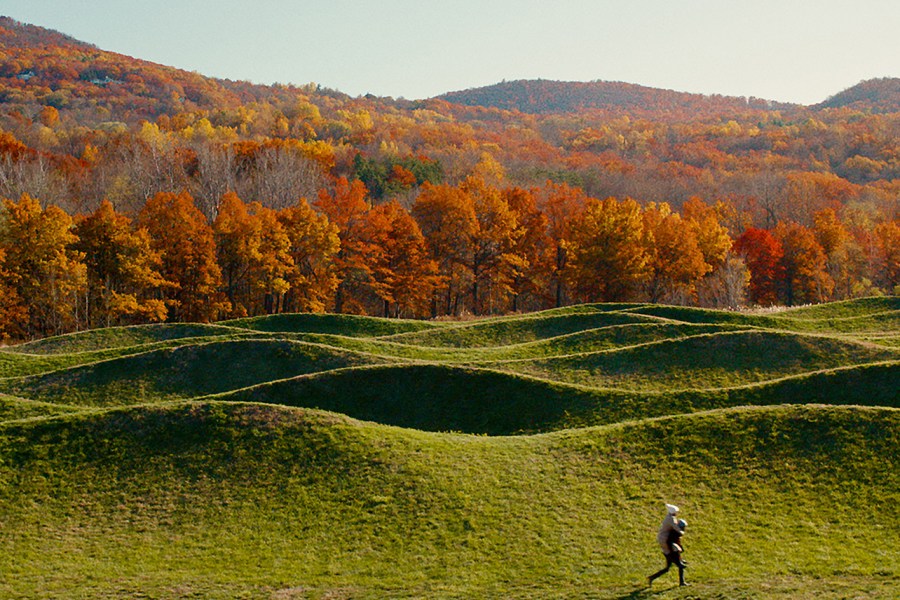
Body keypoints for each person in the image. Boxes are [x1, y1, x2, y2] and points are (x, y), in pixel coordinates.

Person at [648, 504, 688, 587]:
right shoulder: (672, 522)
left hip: (666, 546)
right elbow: (676, 533)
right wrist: (681, 532)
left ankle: (652, 578)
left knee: (667, 568)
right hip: (668, 546)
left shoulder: (669, 518)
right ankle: (682, 582)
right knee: (680, 566)